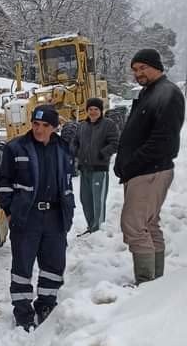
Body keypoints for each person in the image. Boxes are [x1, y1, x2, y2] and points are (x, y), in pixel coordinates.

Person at [0, 105, 75, 331]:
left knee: (53, 265)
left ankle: (46, 304)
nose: (39, 130)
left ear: (54, 127)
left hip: (55, 216)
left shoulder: (63, 148)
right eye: (36, 124)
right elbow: (4, 182)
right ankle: (23, 312)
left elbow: (68, 182)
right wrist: (10, 211)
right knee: (22, 267)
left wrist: (68, 211)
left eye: (45, 126)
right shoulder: (15, 148)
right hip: (26, 217)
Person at [113, 48, 185, 285]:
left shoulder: (168, 93)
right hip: (143, 170)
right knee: (149, 224)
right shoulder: (149, 92)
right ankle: (155, 285)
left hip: (151, 170)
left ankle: (145, 283)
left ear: (157, 66)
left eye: (143, 67)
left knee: (134, 226)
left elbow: (163, 140)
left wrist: (131, 164)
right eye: (135, 69)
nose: (138, 73)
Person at [73, 97, 120, 233]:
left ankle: (98, 229)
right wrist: (76, 152)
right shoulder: (82, 126)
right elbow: (75, 142)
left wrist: (102, 154)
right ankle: (91, 226)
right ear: (87, 111)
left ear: (101, 110)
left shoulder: (108, 124)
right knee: (85, 200)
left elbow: (115, 143)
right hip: (84, 169)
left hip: (99, 169)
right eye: (90, 109)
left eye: (96, 109)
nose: (93, 112)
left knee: (97, 201)